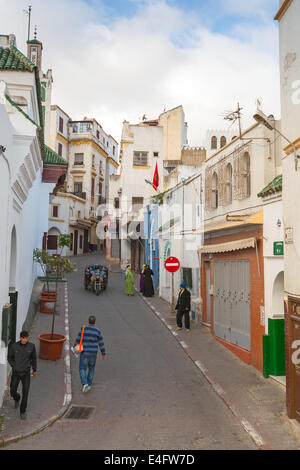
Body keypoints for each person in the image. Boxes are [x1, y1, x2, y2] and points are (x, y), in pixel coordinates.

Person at [8, 331, 37, 420]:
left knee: (26, 393)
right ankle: (17, 398)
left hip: (26, 374)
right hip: (16, 373)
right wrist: (14, 365)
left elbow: (33, 358)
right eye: (23, 338)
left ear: (28, 338)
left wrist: (34, 369)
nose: (25, 340)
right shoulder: (14, 346)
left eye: (26, 338)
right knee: (12, 390)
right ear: (20, 338)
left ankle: (23, 411)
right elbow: (10, 357)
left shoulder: (31, 346)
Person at [73, 315, 106, 393]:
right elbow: (101, 343)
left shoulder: (83, 329)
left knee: (82, 369)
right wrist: (103, 353)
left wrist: (74, 348)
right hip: (93, 353)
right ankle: (89, 385)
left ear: (88, 321)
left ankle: (85, 383)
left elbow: (78, 339)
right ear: (95, 322)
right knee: (91, 368)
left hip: (84, 352)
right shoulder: (98, 331)